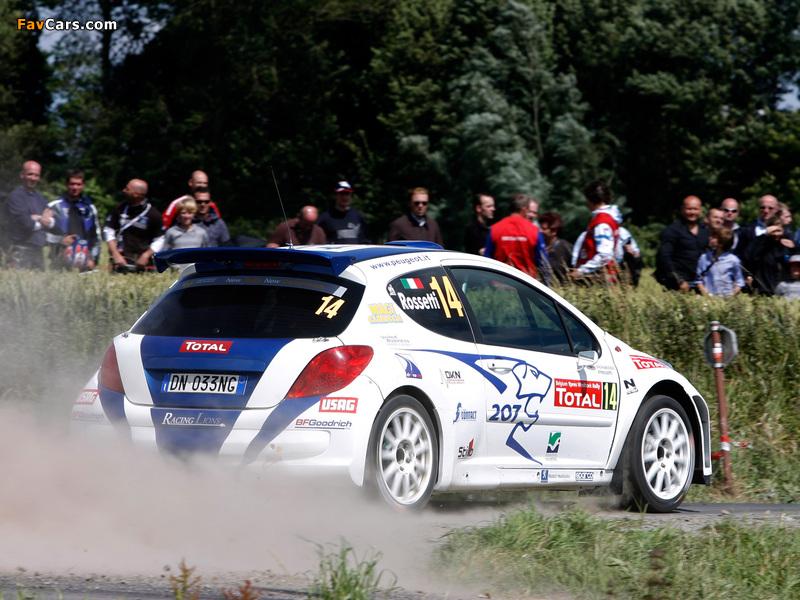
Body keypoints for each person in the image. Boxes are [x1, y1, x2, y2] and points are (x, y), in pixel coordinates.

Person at [46, 168, 102, 271]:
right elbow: (42, 235)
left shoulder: (89, 207)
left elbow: (96, 236)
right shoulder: (54, 206)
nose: (75, 187)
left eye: (78, 184)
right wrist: (61, 240)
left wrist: (94, 259)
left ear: (83, 185)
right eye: (72, 184)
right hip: (59, 263)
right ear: (66, 184)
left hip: (85, 262)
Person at [485, 193, 551, 281]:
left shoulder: (494, 229)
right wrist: (549, 285)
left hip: (499, 284)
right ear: (524, 208)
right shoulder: (534, 231)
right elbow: (544, 263)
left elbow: (487, 259)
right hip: (526, 284)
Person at [4, 160, 57, 270]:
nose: (33, 178)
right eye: (30, 174)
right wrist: (43, 219)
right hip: (20, 251)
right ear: (22, 174)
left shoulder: (40, 198)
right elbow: (27, 223)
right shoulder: (16, 196)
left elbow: (55, 222)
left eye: (36, 175)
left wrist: (37, 218)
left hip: (39, 252)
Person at [103, 179, 164, 271]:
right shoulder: (119, 208)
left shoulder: (153, 214)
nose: (124, 190)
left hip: (143, 267)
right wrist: (115, 254)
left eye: (127, 189)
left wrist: (147, 255)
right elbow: (108, 230)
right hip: (119, 264)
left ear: (137, 194)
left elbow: (160, 239)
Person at [655, 195, 709, 291]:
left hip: (703, 283)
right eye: (689, 209)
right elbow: (664, 257)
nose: (692, 212)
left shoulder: (706, 230)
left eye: (695, 209)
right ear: (682, 209)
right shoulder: (672, 230)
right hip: (680, 283)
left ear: (700, 211)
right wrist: (678, 280)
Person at [572, 179, 621, 283]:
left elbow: (604, 255)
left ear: (590, 200)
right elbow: (617, 252)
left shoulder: (601, 223)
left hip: (599, 279)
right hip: (605, 277)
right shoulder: (611, 219)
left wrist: (581, 271)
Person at [744, 214, 797, 295]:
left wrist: (794, 248)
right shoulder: (760, 243)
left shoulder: (786, 245)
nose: (776, 234)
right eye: (773, 231)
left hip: (783, 289)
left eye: (778, 231)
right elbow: (750, 256)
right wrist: (764, 236)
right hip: (764, 289)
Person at [694, 227, 745, 297]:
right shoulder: (704, 257)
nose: (710, 238)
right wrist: (707, 295)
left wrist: (731, 296)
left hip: (726, 297)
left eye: (713, 237)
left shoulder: (733, 260)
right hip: (708, 297)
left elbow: (739, 282)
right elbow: (699, 280)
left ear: (721, 243)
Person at [737, 194, 779, 259]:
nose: (766, 211)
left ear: (776, 209)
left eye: (770, 208)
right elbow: (741, 253)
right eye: (762, 207)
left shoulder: (784, 230)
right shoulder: (747, 230)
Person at [538, 211, 572, 282]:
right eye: (540, 227)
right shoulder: (537, 246)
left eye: (544, 229)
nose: (540, 231)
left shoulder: (566, 248)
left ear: (554, 231)